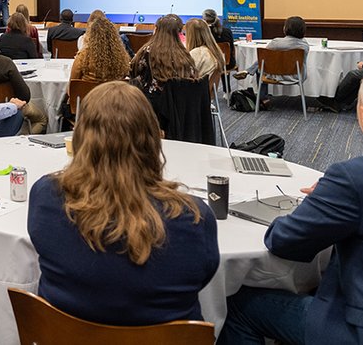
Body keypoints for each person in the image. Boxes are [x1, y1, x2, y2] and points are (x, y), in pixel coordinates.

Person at [28, 81, 219, 326]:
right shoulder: (193, 219)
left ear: (80, 138)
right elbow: (204, 277)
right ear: (153, 138)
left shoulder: (47, 198)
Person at [219, 71, 363, 345]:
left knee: (237, 304)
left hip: (356, 331)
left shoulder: (353, 179)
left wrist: (324, 201)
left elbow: (284, 241)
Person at [129, 15, 199, 131]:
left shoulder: (148, 50)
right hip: (180, 106)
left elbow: (133, 70)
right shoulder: (185, 53)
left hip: (153, 106)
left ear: (157, 29)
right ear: (179, 32)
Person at [234, 16, 309, 108]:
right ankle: (249, 71)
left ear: (285, 28)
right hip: (296, 76)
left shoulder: (275, 42)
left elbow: (264, 58)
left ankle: (262, 97)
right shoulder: (304, 46)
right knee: (262, 64)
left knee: (261, 67)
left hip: (273, 76)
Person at [184, 18, 225, 83]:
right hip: (208, 91)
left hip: (195, 90)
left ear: (190, 35)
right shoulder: (217, 52)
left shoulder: (196, 54)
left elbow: (185, 78)